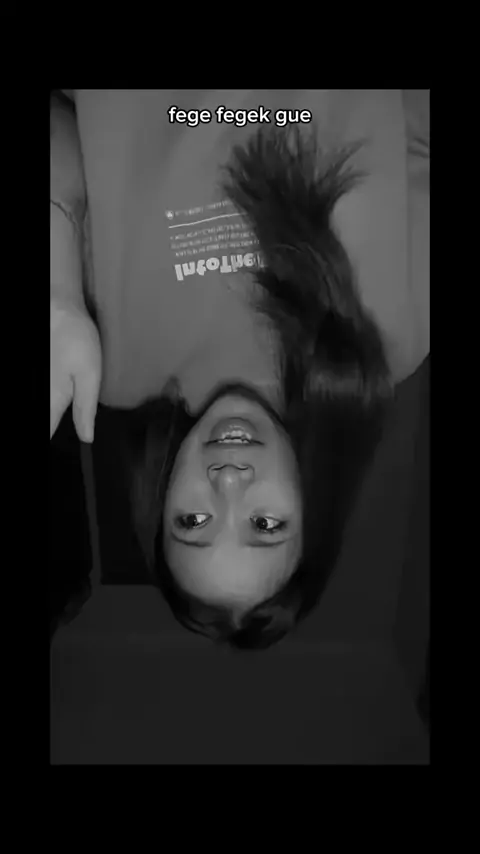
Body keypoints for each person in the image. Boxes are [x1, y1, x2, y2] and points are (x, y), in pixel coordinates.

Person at [50, 90, 429, 650]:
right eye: (265, 526)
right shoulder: (390, 341)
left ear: (161, 505)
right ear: (312, 514)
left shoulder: (111, 364)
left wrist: (57, 289)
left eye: (192, 523)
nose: (228, 482)